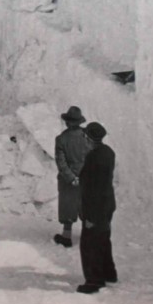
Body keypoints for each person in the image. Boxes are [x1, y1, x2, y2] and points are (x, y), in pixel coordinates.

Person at [77, 121, 118, 294]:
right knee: (103, 239)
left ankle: (94, 280)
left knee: (89, 243)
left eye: (85, 136)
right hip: (107, 203)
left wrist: (90, 216)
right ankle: (109, 273)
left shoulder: (93, 157)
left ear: (89, 139)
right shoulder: (108, 152)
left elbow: (93, 188)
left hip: (96, 207)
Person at [53, 106, 92, 248]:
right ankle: (89, 238)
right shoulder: (87, 137)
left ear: (67, 122)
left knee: (67, 206)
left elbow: (61, 162)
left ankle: (66, 237)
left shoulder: (61, 139)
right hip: (87, 178)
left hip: (68, 180)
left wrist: (71, 178)